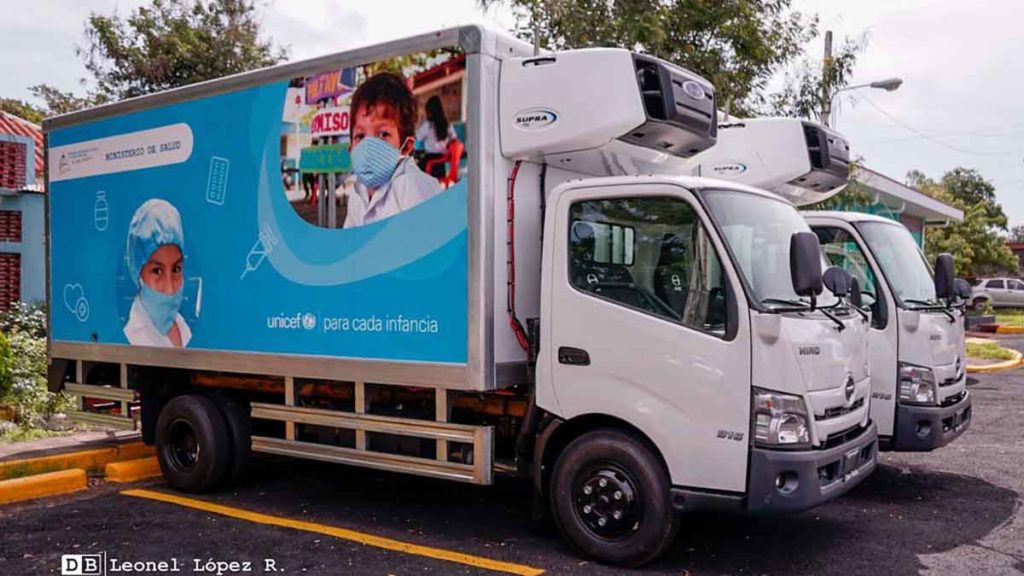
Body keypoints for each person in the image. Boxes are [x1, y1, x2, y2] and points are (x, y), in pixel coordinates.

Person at [344, 72, 440, 228]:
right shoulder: (357, 190)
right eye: (360, 136)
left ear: (406, 147)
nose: (368, 147)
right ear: (351, 150)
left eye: (383, 134)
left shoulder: (410, 184)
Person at [123, 199, 192, 347]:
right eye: (157, 271)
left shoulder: (181, 325)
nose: (170, 288)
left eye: (176, 269)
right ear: (138, 273)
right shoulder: (134, 337)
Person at [416, 95, 460, 180]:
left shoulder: (428, 125)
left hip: (429, 162)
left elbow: (417, 137)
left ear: (429, 111)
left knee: (413, 171)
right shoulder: (447, 125)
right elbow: (454, 140)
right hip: (442, 162)